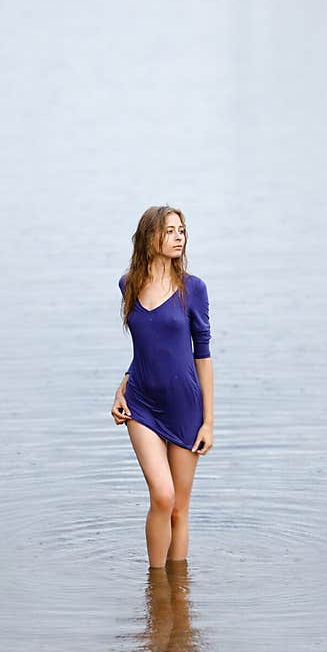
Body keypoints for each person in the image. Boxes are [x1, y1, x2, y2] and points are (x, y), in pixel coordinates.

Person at [111, 205, 214, 569]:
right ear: (149, 237)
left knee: (179, 509)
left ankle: (176, 598)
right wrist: (122, 386)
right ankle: (155, 586)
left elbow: (202, 354)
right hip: (141, 403)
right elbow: (147, 348)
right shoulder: (129, 285)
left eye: (182, 230)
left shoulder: (193, 289)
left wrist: (208, 422)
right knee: (162, 495)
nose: (179, 236)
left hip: (185, 407)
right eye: (170, 230)